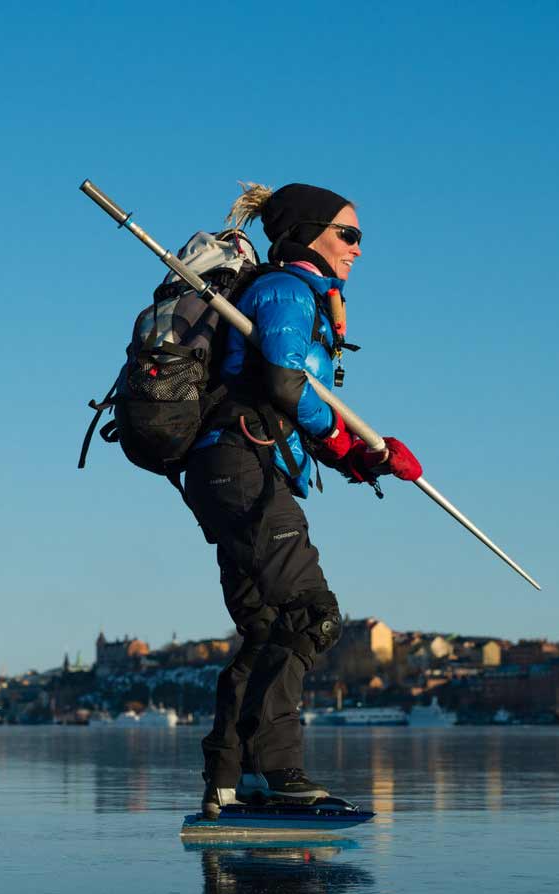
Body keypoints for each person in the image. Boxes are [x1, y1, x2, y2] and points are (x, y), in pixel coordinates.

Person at [185, 182, 424, 818]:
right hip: (245, 469)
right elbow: (286, 381)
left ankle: (231, 784)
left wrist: (363, 458)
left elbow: (285, 403)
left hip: (228, 468)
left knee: (265, 629)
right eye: (349, 234)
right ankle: (280, 774)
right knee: (311, 615)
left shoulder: (295, 297)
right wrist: (352, 447)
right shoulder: (287, 291)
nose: (358, 249)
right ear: (310, 233)